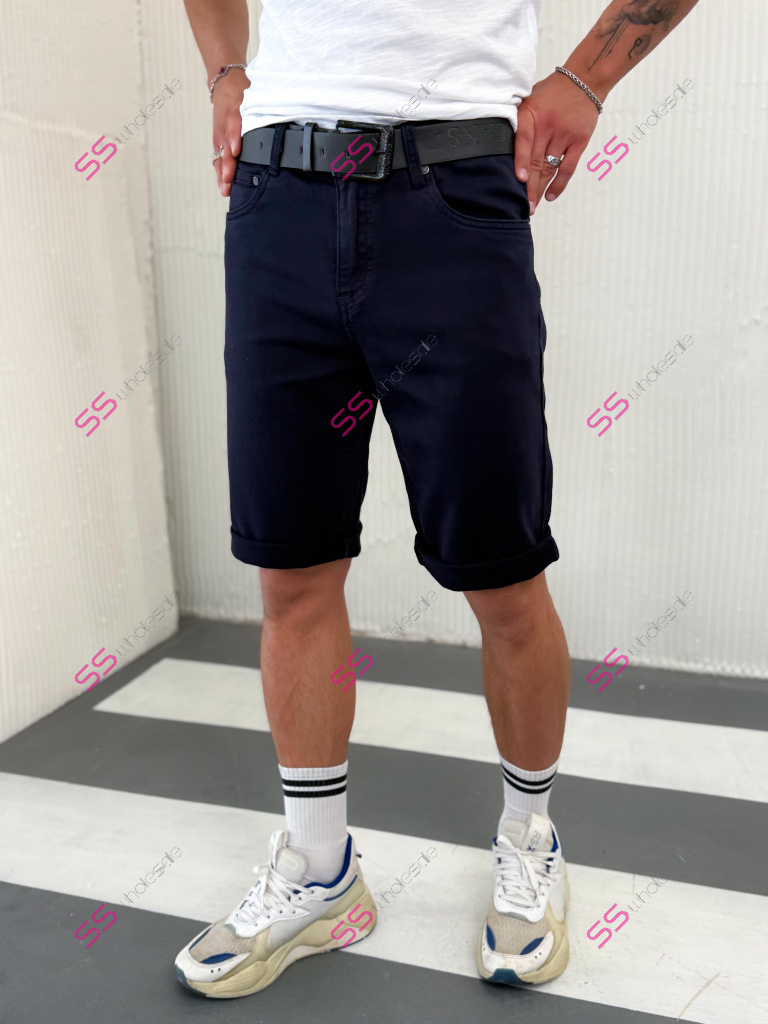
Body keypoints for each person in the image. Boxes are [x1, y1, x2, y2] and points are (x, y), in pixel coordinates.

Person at [176, 0, 700, 999]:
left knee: (503, 570)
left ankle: (529, 836)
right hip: (279, 197)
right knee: (291, 569)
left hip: (451, 196)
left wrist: (586, 78)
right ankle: (321, 871)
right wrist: (224, 71)